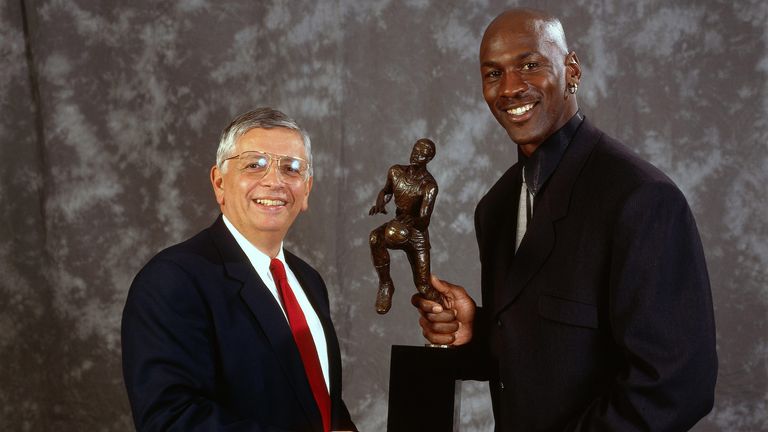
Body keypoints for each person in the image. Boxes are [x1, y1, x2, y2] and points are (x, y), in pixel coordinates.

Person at [412, 8, 717, 431]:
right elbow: (552, 354)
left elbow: (677, 385)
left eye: (530, 65)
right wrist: (480, 329)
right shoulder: (496, 208)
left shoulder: (642, 198)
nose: (511, 88)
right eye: (493, 74)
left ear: (572, 69)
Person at [122, 108, 357, 432]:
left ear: (306, 190)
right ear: (219, 182)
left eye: (291, 168)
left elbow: (318, 403)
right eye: (254, 164)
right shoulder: (173, 279)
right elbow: (171, 418)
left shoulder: (308, 281)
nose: (274, 181)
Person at [368, 138, 439, 314]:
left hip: (417, 233)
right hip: (398, 226)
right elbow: (386, 191)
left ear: (429, 159)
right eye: (416, 149)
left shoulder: (429, 186)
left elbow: (424, 220)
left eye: (422, 153)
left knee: (424, 287)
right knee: (375, 237)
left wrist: (412, 222)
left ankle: (446, 311)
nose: (417, 154)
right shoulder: (396, 172)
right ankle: (386, 284)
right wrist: (381, 203)